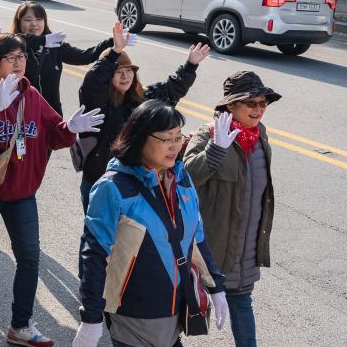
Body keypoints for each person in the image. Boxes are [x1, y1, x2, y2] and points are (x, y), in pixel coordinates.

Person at [0, 33, 105, 346]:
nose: (19, 62)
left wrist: (70, 129)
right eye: (11, 58)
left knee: (30, 258)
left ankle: (21, 325)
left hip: (21, 193)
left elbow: (54, 134)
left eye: (21, 56)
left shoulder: (29, 92)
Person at [73, 100, 229, 347]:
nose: (175, 146)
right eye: (167, 138)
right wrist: (90, 319)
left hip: (175, 313)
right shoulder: (112, 188)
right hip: (133, 318)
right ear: (140, 138)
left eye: (178, 137)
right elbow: (93, 255)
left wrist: (217, 287)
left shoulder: (181, 179)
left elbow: (196, 239)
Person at [183, 71, 280, 347]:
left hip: (246, 246)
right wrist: (215, 150)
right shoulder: (208, 134)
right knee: (184, 305)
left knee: (242, 305)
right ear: (231, 106)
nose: (259, 109)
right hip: (210, 248)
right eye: (251, 103)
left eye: (262, 103)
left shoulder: (260, 136)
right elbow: (188, 178)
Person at [77, 22, 210, 213]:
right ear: (108, 76)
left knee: (132, 239)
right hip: (100, 181)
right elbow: (93, 82)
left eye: (129, 70)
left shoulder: (142, 100)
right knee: (101, 238)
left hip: (136, 182)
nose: (125, 76)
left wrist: (190, 65)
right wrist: (114, 51)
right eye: (118, 72)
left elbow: (171, 90)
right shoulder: (98, 104)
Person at [12, 1, 116, 117]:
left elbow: (86, 56)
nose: (34, 24)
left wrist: (113, 42)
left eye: (39, 19)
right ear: (19, 22)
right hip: (21, 114)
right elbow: (14, 39)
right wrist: (43, 40)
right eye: (28, 20)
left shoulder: (56, 45)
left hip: (51, 114)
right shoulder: (12, 46)